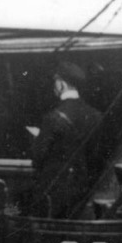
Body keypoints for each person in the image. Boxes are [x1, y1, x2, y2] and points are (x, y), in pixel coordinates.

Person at [31, 62, 103, 219]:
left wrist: (38, 138)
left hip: (54, 193)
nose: (54, 87)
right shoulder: (96, 116)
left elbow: (38, 158)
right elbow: (94, 156)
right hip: (82, 192)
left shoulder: (52, 118)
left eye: (55, 82)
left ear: (61, 84)